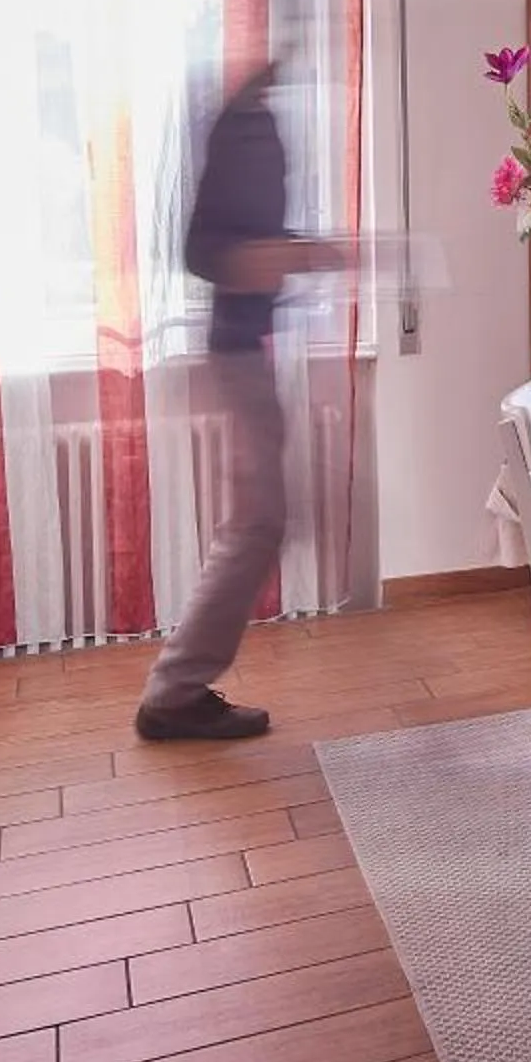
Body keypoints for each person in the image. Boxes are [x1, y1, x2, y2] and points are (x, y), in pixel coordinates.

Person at [135, 60, 346, 742]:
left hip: (250, 348)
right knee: (257, 525)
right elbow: (205, 248)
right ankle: (172, 694)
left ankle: (177, 688)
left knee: (260, 522)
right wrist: (268, 258)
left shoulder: (253, 119)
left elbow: (244, 241)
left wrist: (305, 253)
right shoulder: (239, 124)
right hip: (237, 352)